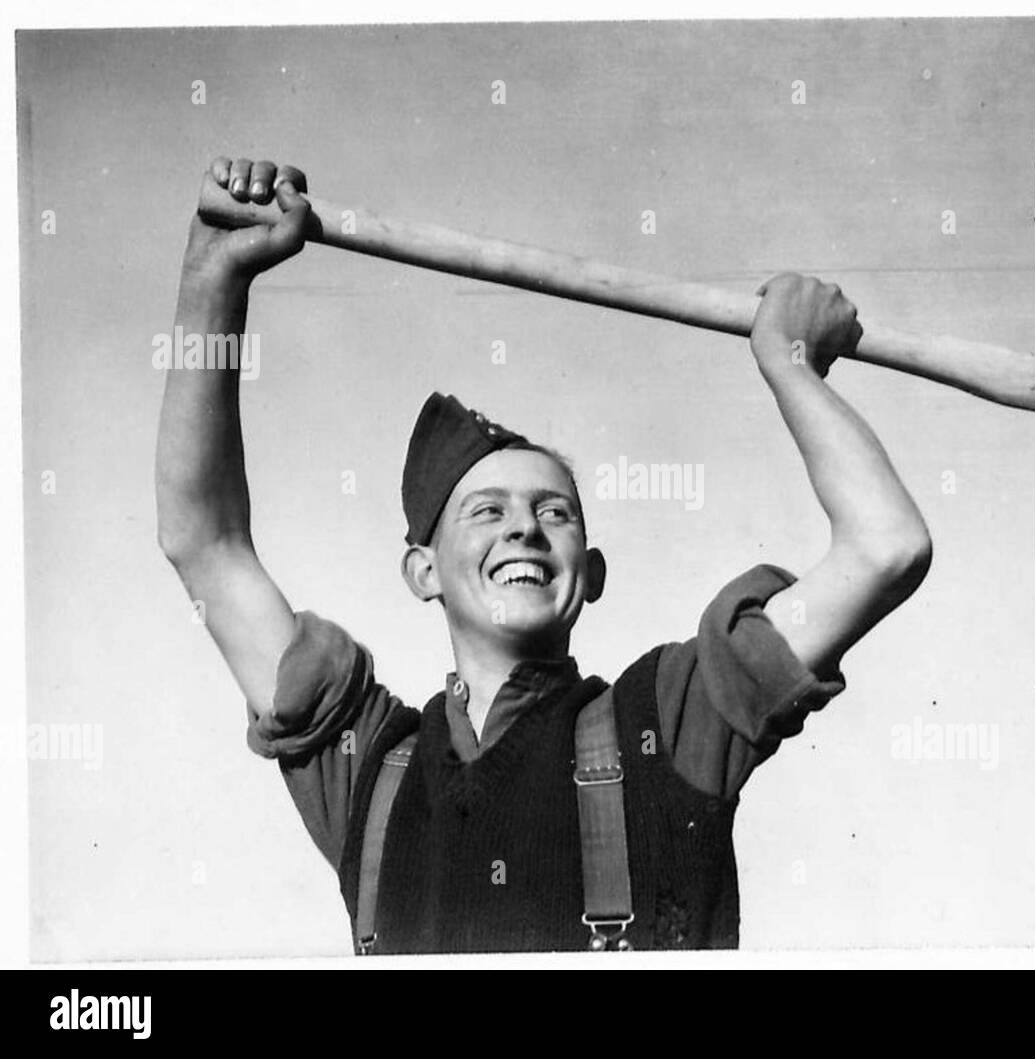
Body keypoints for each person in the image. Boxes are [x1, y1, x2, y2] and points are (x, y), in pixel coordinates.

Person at [156, 156, 933, 953]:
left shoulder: (671, 717)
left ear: (590, 574)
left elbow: (885, 546)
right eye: (486, 511)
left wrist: (790, 362)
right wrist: (211, 282)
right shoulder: (371, 766)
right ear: (423, 571)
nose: (524, 529)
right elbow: (205, 543)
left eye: (553, 511)